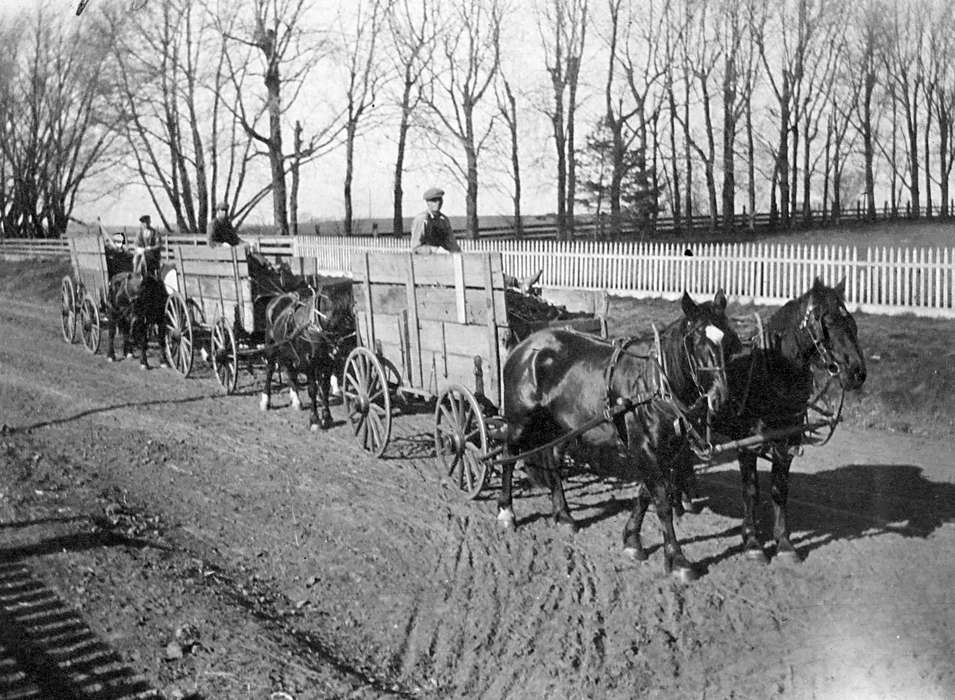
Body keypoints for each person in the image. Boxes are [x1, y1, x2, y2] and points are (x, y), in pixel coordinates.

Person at [412, 187, 460, 254]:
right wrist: (435, 250)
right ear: (428, 202)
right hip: (425, 260)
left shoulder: (443, 220)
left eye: (440, 199)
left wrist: (458, 253)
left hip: (445, 259)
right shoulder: (422, 219)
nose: (438, 203)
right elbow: (416, 248)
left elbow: (452, 244)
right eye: (434, 200)